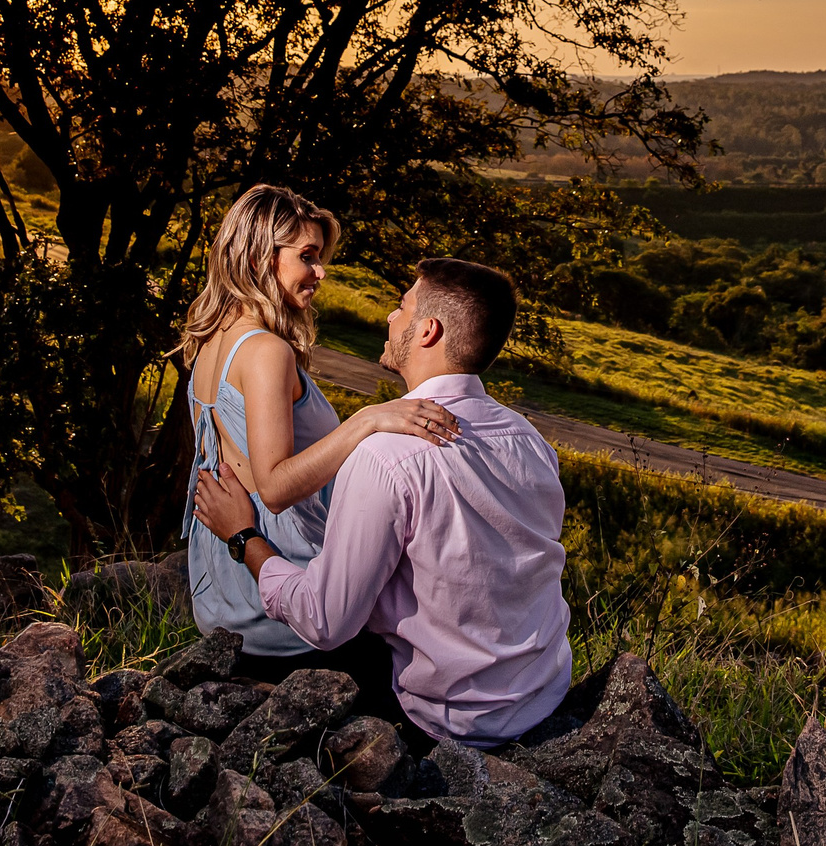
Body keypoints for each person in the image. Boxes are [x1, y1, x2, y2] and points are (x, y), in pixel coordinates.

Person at [193, 256, 572, 747]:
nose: (391, 318)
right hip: (544, 694)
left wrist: (243, 537)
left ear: (428, 331)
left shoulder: (385, 457)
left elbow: (324, 621)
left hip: (452, 721)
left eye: (401, 307)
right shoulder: (532, 442)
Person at [180, 184, 458, 690]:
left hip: (224, 594)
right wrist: (368, 419)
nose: (321, 272)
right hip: (284, 605)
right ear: (260, 255)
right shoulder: (265, 351)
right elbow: (276, 486)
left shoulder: (212, 338)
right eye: (307, 257)